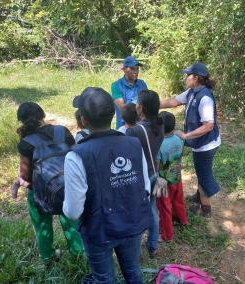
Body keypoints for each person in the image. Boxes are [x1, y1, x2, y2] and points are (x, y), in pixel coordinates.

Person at [63, 87, 152, 283]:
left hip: (99, 230)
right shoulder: (133, 143)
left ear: (83, 120)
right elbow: (145, 188)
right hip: (131, 223)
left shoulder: (76, 156)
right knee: (134, 273)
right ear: (113, 115)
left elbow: (72, 212)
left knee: (104, 279)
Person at [15, 102, 84, 262]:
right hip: (68, 186)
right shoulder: (62, 131)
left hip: (40, 192)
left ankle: (48, 257)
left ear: (22, 121)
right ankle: (78, 255)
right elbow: (76, 155)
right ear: (42, 115)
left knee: (42, 226)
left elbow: (24, 175)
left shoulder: (26, 143)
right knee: (72, 223)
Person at [160, 62, 221, 218]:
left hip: (206, 144)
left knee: (203, 174)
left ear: (197, 78)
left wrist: (186, 136)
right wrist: (154, 105)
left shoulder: (205, 98)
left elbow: (208, 126)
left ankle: (205, 208)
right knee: (201, 170)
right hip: (199, 141)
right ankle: (198, 196)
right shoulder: (191, 92)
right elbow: (173, 102)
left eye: (188, 75)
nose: (186, 77)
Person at [126, 90, 164, 258]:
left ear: (140, 107)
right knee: (152, 210)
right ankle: (153, 245)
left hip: (141, 178)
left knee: (135, 213)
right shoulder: (161, 123)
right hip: (155, 172)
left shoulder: (135, 131)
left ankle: (133, 250)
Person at [157, 111, 188, 242]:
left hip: (164, 182)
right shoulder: (179, 138)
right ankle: (183, 220)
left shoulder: (159, 144)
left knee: (164, 208)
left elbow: (157, 165)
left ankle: (166, 235)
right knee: (178, 200)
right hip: (177, 177)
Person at [111, 55, 148, 129]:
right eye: (132, 69)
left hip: (141, 126)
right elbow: (123, 109)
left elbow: (146, 104)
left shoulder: (142, 84)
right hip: (124, 126)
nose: (136, 72)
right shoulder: (116, 86)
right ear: (124, 69)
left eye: (137, 69)